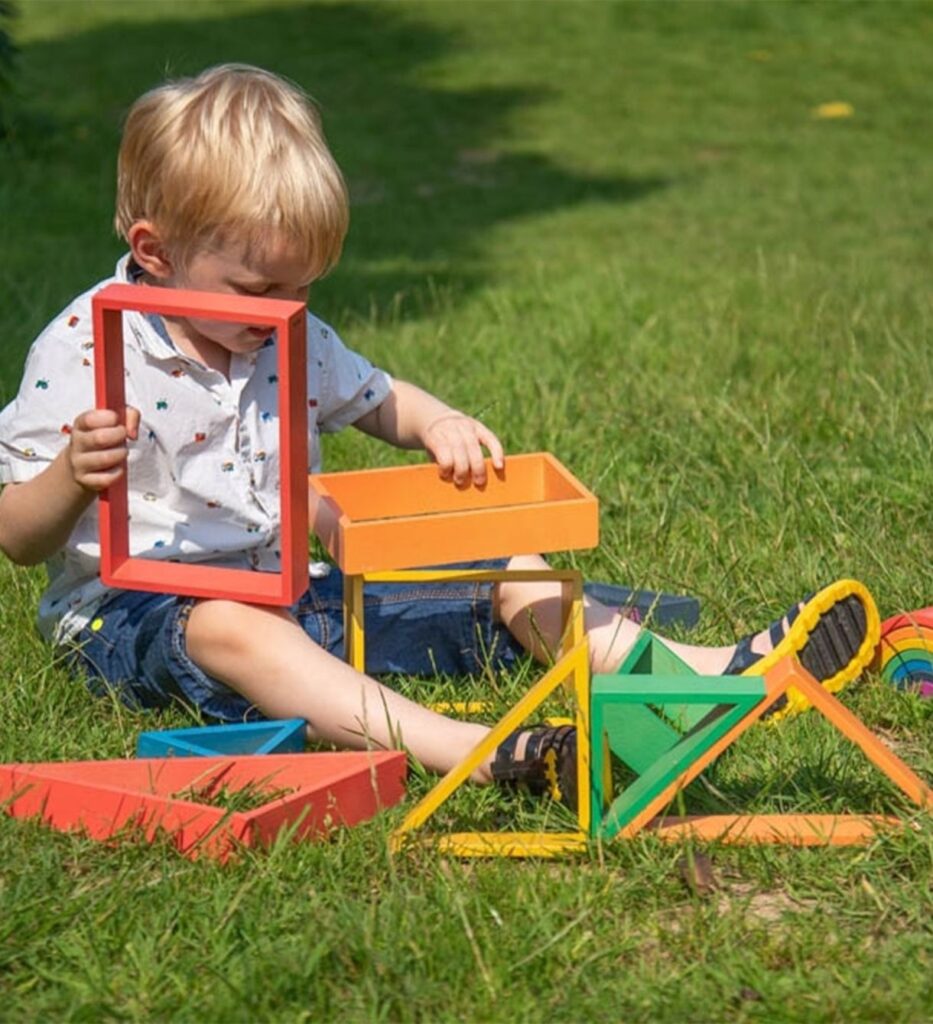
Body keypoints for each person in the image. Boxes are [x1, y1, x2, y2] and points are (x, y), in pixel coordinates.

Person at [0, 65, 876, 807]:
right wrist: (73, 475)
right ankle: (474, 750)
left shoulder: (277, 330)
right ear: (155, 252)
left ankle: (697, 678)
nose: (283, 314)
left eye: (300, 290)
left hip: (292, 592)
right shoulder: (85, 349)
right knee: (237, 627)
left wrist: (433, 423)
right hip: (132, 620)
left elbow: (379, 397)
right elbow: (16, 535)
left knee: (506, 565)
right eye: (256, 287)